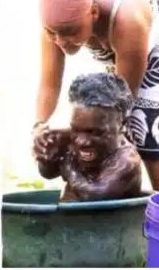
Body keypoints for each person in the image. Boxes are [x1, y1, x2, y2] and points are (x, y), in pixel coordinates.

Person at [34, 0, 159, 191]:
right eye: (53, 33)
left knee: (144, 124)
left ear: (94, 13)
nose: (61, 41)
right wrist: (39, 128)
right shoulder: (56, 25)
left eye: (71, 34)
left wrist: (71, 134)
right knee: (95, 136)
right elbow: (49, 86)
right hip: (122, 47)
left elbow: (121, 102)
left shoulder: (127, 19)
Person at [34, 73, 142, 202]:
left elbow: (95, 196)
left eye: (96, 132)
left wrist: (68, 166)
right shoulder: (72, 138)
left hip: (107, 222)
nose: (82, 141)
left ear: (122, 124)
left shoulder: (126, 161)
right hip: (70, 220)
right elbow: (48, 174)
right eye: (75, 129)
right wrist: (46, 155)